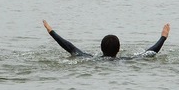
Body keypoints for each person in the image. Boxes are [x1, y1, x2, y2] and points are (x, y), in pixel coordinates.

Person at [42, 20, 170, 58]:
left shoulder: (90, 58)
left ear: (101, 48)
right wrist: (163, 37)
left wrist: (51, 31)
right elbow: (151, 52)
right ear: (119, 49)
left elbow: (70, 47)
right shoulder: (128, 60)